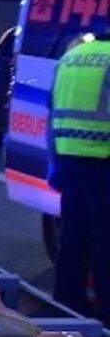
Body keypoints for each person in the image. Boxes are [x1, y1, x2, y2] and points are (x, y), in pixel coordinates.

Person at [47, 36, 110, 318]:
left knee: (73, 236)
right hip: (103, 160)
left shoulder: (72, 56)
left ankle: (65, 304)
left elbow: (51, 116)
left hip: (69, 159)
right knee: (103, 240)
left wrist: (54, 164)